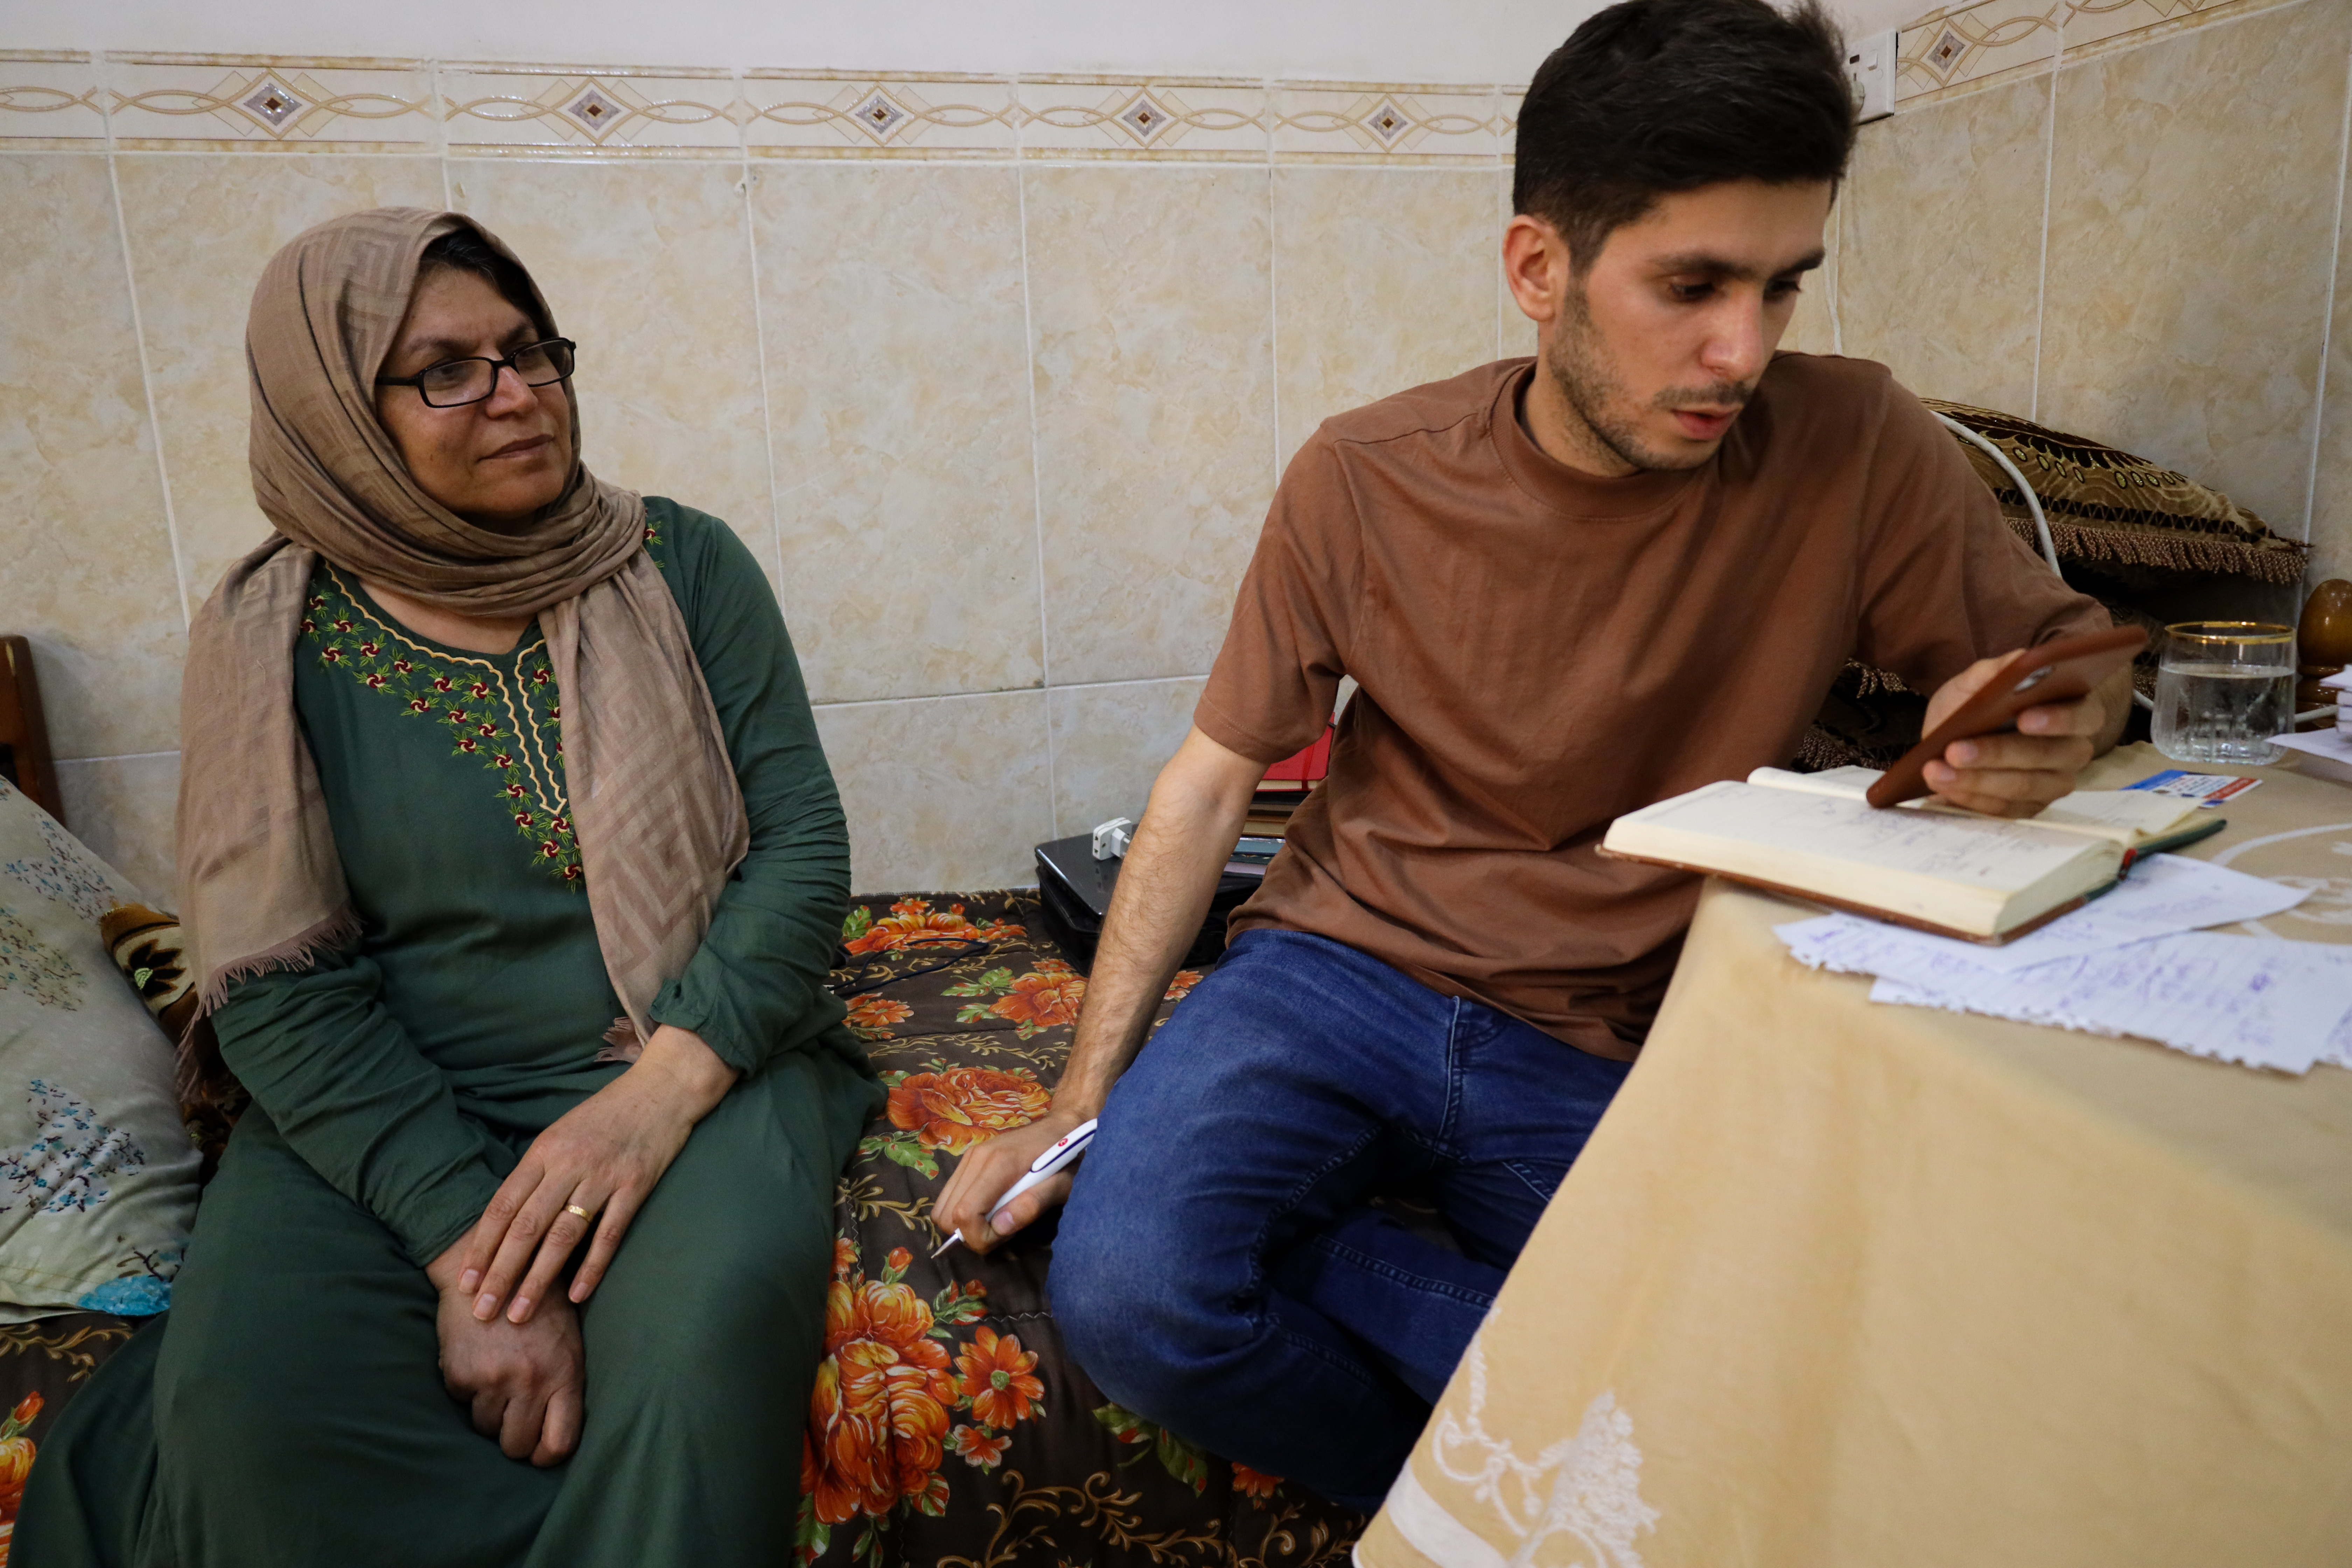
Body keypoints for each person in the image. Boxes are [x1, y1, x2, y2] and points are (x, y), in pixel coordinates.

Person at [934, 0, 2131, 1511]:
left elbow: (2047, 662)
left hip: (1604, 1024)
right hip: (1337, 972)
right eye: (1691, 286)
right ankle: (1465, 1516)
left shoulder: (1859, 442)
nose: (1743, 350)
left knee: (1739, 1377)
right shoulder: (1364, 475)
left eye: (1782, 287)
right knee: (1133, 1297)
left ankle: (1400, 1353)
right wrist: (1077, 1101)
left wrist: (2037, 723)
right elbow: (1211, 780)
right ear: (1538, 269)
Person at [19, 209, 878, 1567]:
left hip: (698, 1060)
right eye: (446, 372)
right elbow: (284, 993)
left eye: (528, 351)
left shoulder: (684, 564)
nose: (517, 393)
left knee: (690, 1373)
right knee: (249, 1421)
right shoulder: (269, 640)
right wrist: (472, 1256)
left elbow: (802, 851)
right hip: (379, 1105)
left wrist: (650, 1105)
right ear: (336, 417)